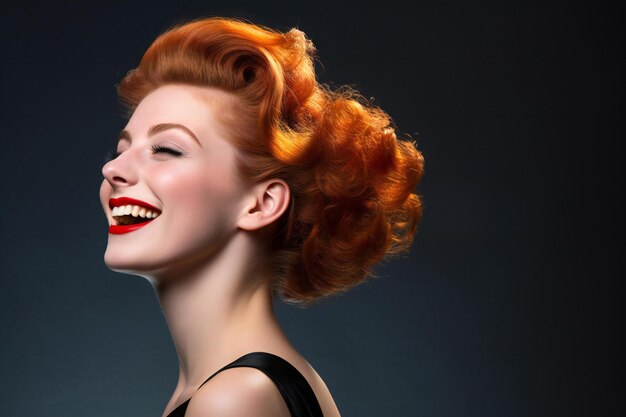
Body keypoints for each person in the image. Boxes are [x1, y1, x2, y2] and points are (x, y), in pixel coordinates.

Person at [99, 17, 424, 417]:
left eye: (166, 149)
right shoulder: (239, 385)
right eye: (121, 148)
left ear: (261, 203)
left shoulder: (233, 398)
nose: (113, 170)